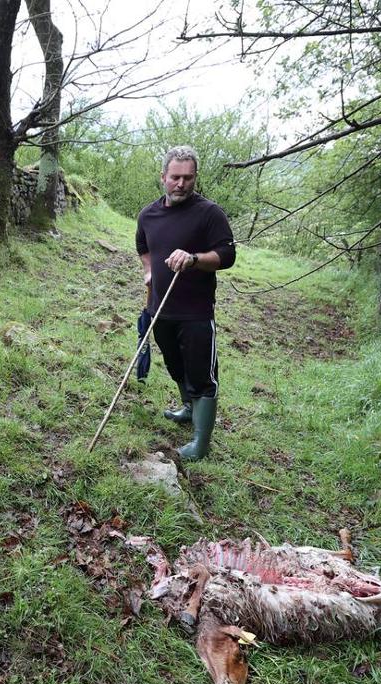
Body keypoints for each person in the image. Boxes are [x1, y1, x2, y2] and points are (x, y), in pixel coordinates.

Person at [136, 146, 236, 461]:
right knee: (176, 366)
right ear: (163, 177)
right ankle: (189, 409)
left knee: (202, 376)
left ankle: (200, 444)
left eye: (188, 178)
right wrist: (150, 270)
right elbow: (142, 245)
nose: (181, 184)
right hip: (160, 311)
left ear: (195, 178)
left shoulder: (209, 213)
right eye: (175, 177)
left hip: (195, 312)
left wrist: (193, 259)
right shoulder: (148, 214)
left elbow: (228, 256)